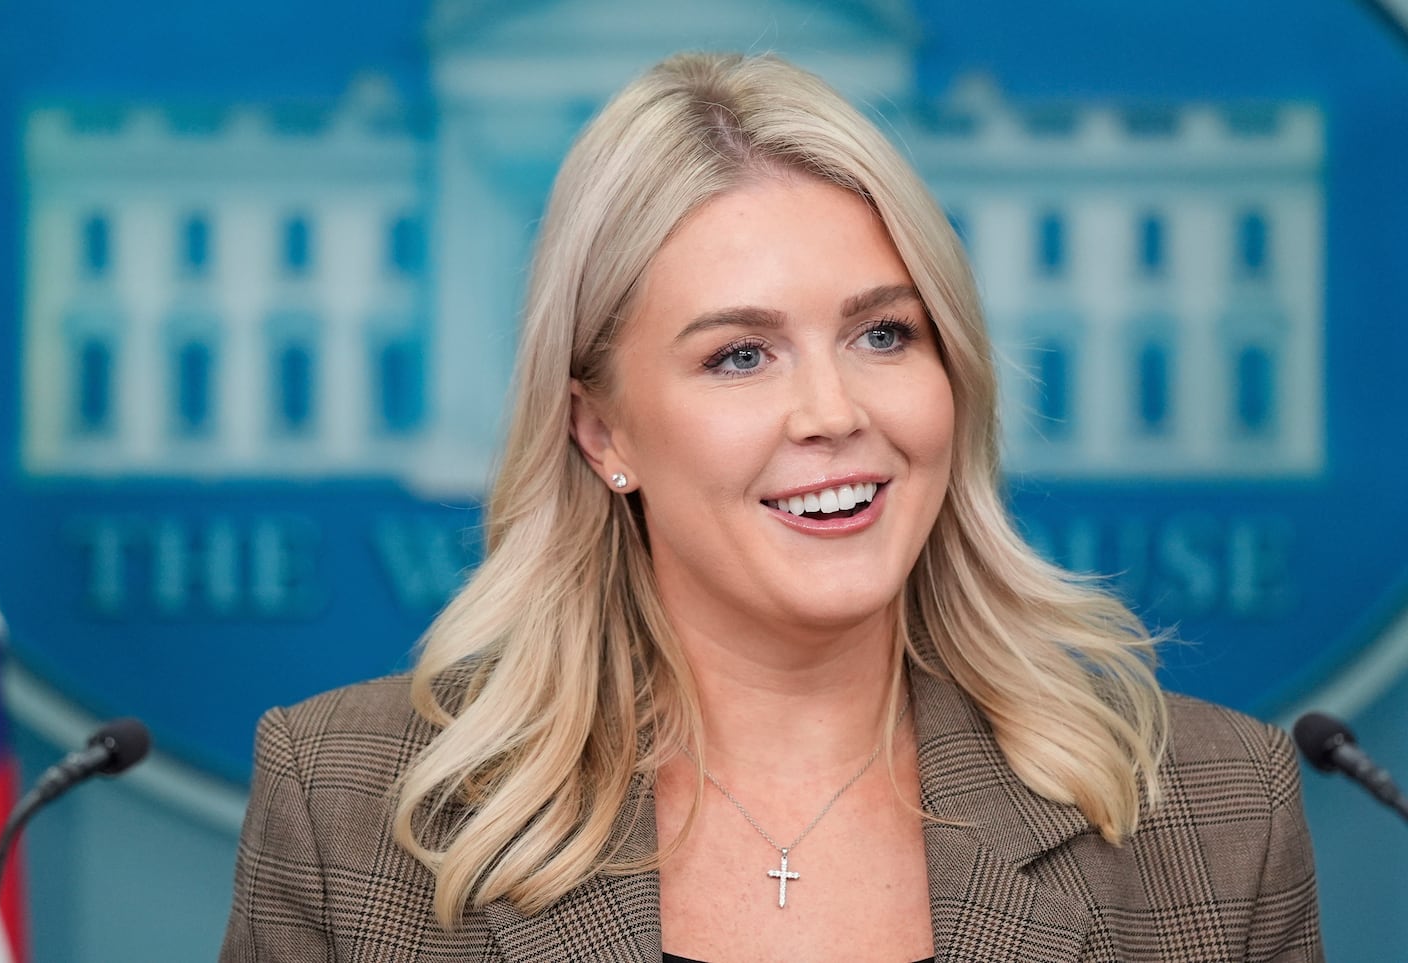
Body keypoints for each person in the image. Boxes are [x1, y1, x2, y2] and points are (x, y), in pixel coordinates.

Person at [221, 52, 1323, 962]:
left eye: (884, 334)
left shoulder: (1220, 813)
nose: (832, 412)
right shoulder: (351, 804)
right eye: (740, 355)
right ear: (601, 432)